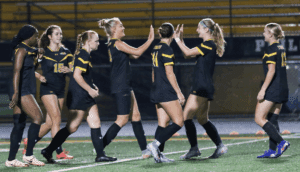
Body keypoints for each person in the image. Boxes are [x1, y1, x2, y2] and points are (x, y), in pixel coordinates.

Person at [41, 30, 117, 163]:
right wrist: (89, 89)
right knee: (72, 127)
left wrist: (92, 85)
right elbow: (76, 75)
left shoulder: (84, 54)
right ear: (88, 42)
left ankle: (100, 155)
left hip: (83, 93)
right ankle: (48, 150)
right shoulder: (83, 54)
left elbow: (82, 74)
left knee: (95, 122)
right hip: (79, 94)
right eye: (96, 40)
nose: (98, 43)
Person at [98, 17, 154, 158]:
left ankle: (144, 150)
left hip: (125, 84)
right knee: (122, 120)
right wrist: (150, 40)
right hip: (121, 85)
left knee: (136, 116)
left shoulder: (117, 43)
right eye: (121, 26)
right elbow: (138, 52)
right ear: (113, 30)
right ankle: (100, 148)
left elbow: (134, 55)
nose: (123, 28)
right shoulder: (117, 43)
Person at [173, 18, 228, 159]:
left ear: (206, 30)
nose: (197, 30)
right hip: (205, 86)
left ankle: (194, 149)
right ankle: (220, 146)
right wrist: (181, 39)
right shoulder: (207, 45)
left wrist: (177, 40)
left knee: (186, 117)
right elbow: (187, 53)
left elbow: (189, 52)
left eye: (199, 28)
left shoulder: (208, 44)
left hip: (201, 86)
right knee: (203, 119)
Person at [23, 25, 74, 160]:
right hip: (47, 89)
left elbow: (74, 68)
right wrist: (39, 77)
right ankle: (58, 151)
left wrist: (69, 70)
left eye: (61, 34)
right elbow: (28, 68)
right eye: (56, 34)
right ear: (50, 37)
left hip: (60, 90)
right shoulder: (42, 52)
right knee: (57, 118)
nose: (60, 36)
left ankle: (29, 141)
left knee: (51, 123)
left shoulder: (66, 51)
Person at [6, 25, 45, 167]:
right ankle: (28, 155)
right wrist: (16, 93)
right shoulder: (21, 50)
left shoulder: (28, 51)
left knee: (19, 124)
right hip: (21, 90)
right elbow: (16, 72)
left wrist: (38, 59)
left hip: (24, 88)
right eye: (36, 36)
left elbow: (29, 70)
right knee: (38, 117)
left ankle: (10, 160)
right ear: (30, 37)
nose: (38, 38)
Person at [147, 22, 185, 163]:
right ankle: (155, 145)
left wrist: (155, 86)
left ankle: (158, 155)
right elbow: (170, 73)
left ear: (159, 34)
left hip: (156, 88)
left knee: (163, 123)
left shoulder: (155, 48)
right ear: (172, 34)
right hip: (165, 90)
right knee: (179, 121)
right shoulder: (167, 49)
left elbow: (153, 71)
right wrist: (179, 93)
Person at [256, 23, 290, 158]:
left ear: (271, 34)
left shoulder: (271, 49)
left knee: (259, 118)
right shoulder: (281, 47)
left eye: (265, 32)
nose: (263, 34)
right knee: (273, 120)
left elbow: (271, 71)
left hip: (273, 89)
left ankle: (281, 143)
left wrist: (262, 90)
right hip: (282, 88)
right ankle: (271, 150)